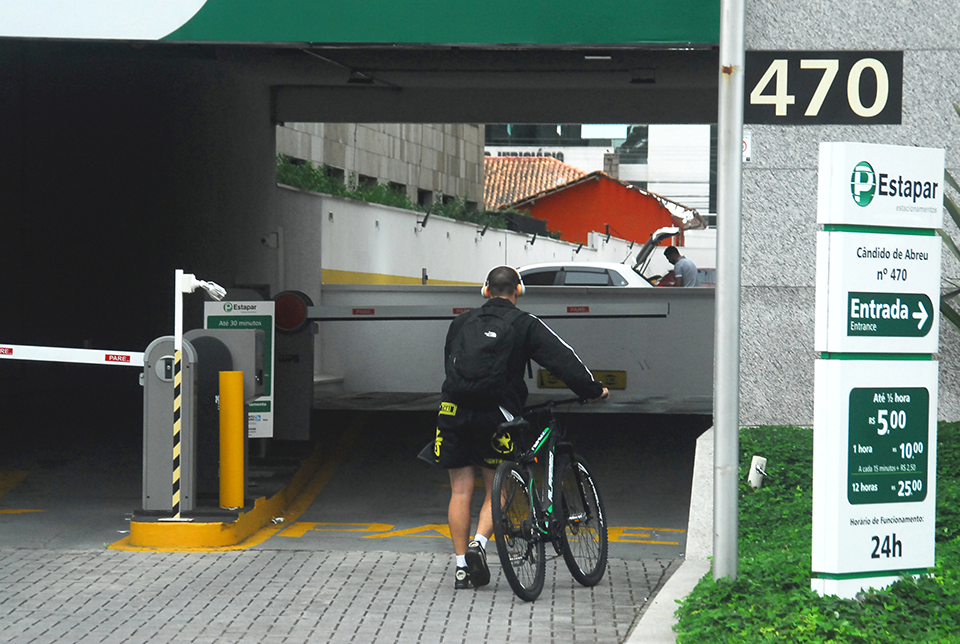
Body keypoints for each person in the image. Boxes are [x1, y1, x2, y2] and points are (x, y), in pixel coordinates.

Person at [429, 265, 609, 590]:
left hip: (452, 409)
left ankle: (460, 568)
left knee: (459, 491)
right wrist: (593, 390)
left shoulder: (460, 323)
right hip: (495, 415)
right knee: (500, 486)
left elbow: (449, 364)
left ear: (485, 290)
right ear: (518, 291)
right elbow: (562, 360)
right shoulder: (525, 324)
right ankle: (479, 545)